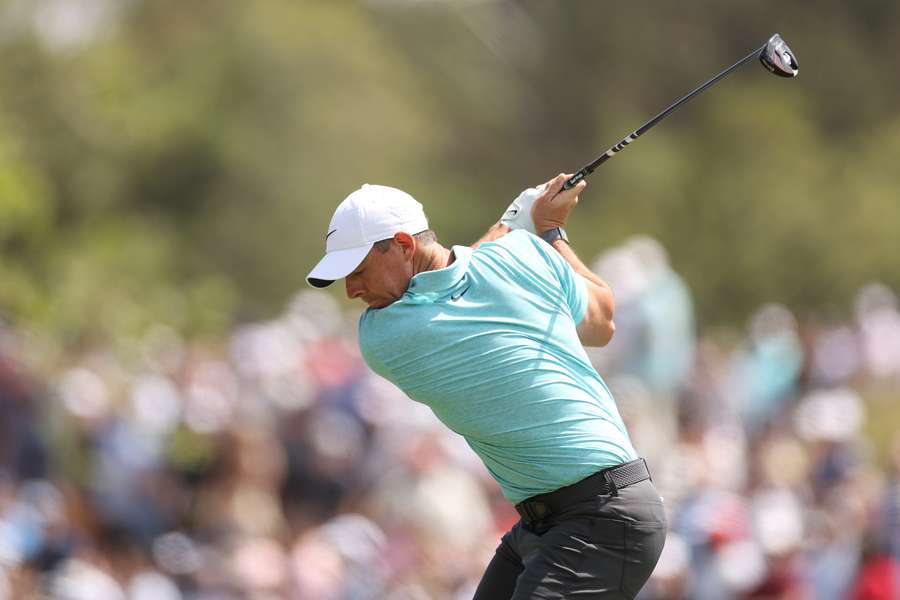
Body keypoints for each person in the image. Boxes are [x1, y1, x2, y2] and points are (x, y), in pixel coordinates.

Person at [306, 174, 667, 599]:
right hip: (550, 520)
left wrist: (519, 221)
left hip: (604, 515)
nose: (351, 290)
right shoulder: (389, 334)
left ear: (404, 245)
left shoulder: (388, 330)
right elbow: (602, 320)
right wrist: (547, 231)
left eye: (359, 271)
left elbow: (595, 322)